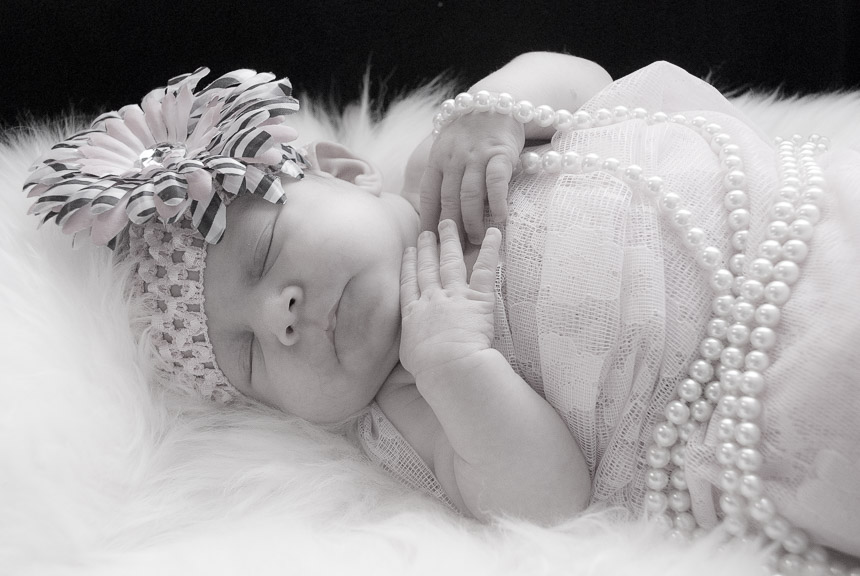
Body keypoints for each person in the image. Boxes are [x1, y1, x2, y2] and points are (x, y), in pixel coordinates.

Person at [25, 53, 860, 571]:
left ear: (346, 170)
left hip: (809, 214)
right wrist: (459, 369)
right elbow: (549, 502)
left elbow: (583, 80)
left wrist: (497, 105)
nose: (279, 318)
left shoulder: (445, 163)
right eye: (249, 356)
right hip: (790, 416)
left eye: (266, 256)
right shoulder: (405, 409)